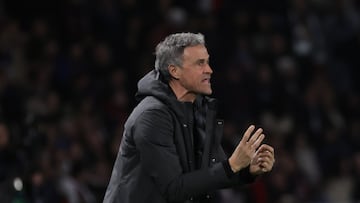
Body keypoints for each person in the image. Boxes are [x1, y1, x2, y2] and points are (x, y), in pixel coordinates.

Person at [103, 32, 275, 203]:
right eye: (200, 63)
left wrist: (248, 170)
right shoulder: (151, 116)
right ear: (174, 71)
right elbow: (174, 189)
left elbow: (212, 174)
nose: (209, 70)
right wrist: (232, 166)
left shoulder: (196, 111)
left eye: (207, 62)